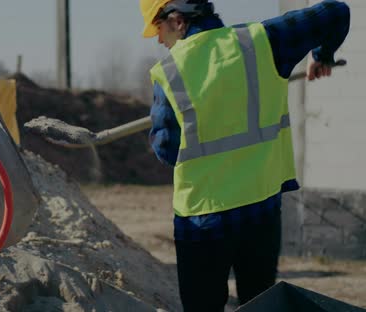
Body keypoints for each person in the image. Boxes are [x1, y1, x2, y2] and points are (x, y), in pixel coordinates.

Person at [139, 0, 351, 311]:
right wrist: (323, 55)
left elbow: (166, 150)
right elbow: (337, 12)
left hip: (203, 218)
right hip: (261, 208)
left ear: (177, 20)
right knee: (259, 303)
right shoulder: (263, 40)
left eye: (157, 28)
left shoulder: (169, 72)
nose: (158, 39)